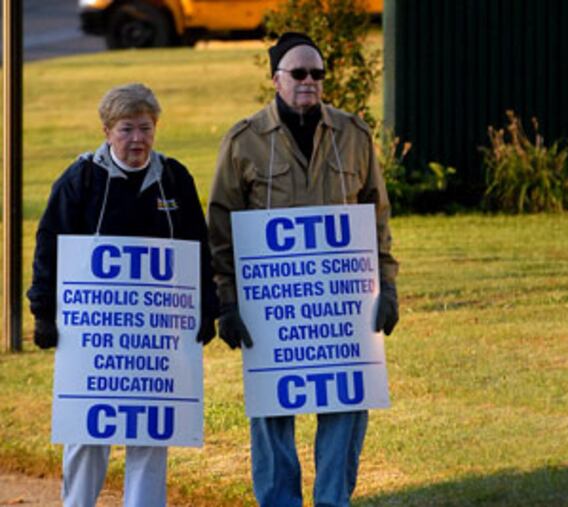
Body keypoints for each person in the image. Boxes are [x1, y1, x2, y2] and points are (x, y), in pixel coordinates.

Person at [207, 32, 399, 507]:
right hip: (271, 308)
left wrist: (388, 287)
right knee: (272, 411)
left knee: (347, 403)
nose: (309, 82)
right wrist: (226, 302)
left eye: (317, 73)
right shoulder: (243, 141)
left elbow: (376, 215)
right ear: (276, 79)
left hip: (341, 306)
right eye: (298, 73)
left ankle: (334, 500)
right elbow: (220, 227)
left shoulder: (353, 136)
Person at [27, 83, 218, 507]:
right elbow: (49, 245)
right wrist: (43, 311)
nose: (137, 139)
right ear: (107, 130)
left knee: (151, 433)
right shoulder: (80, 180)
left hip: (156, 336)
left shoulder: (174, 178)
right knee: (86, 433)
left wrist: (207, 306)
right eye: (127, 129)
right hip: (93, 338)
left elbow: (197, 245)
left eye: (146, 128)